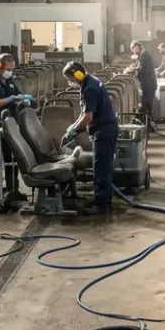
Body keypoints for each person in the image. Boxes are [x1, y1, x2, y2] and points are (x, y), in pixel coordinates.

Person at [63, 61, 117, 216]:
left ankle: (101, 206)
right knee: (102, 167)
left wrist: (76, 130)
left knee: (101, 168)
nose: (70, 82)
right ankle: (103, 200)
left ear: (77, 75)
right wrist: (73, 126)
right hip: (103, 129)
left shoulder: (90, 88)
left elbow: (87, 117)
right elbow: (84, 112)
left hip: (104, 131)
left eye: (70, 78)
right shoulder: (88, 83)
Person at [0, 53, 34, 203]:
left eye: (12, 69)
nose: (10, 71)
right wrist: (10, 99)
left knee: (11, 158)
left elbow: (18, 93)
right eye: (8, 68)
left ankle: (13, 191)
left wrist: (24, 98)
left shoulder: (9, 80)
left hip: (10, 124)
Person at [131, 40, 158, 133]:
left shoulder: (144, 55)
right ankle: (150, 127)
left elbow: (140, 68)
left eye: (133, 49)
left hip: (148, 85)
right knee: (147, 106)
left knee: (144, 106)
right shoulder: (143, 54)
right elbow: (140, 66)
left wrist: (133, 70)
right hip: (148, 85)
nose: (133, 52)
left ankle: (147, 127)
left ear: (137, 47)